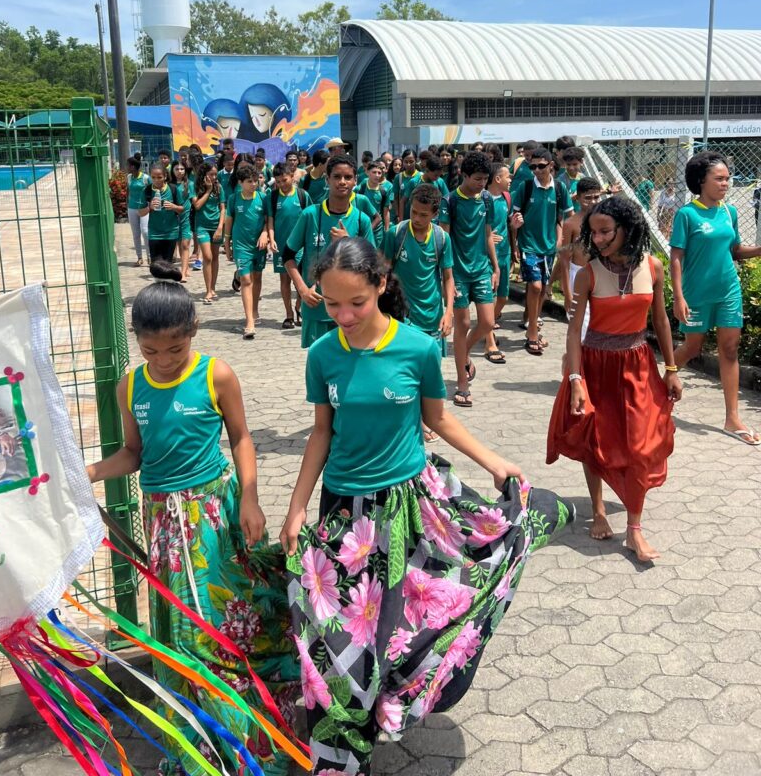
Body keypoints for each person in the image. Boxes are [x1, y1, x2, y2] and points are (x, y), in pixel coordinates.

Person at [279, 237, 573, 776]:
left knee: (403, 623)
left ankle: (394, 705)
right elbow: (321, 434)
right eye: (330, 303)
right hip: (344, 514)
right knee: (340, 631)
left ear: (381, 287)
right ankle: (343, 749)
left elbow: (439, 419)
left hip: (412, 506)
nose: (342, 315)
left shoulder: (417, 348)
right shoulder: (322, 355)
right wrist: (298, 508)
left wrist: (493, 461)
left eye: (355, 303)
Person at [86, 265, 300, 776]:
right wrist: (88, 470)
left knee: (231, 621)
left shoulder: (215, 374)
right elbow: (133, 454)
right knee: (181, 632)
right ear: (136, 342)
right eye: (150, 351)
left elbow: (242, 438)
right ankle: (198, 745)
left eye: (173, 350)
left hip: (214, 514)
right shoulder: (130, 387)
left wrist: (250, 498)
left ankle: (255, 742)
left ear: (193, 334)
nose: (162, 361)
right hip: (162, 521)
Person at [547, 196, 681, 563]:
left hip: (637, 365)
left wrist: (670, 370)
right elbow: (574, 331)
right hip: (595, 364)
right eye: (594, 232)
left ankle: (634, 529)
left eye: (606, 231)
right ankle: (599, 509)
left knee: (640, 444)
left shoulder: (653, 267)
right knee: (597, 437)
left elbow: (662, 322)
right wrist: (575, 379)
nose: (599, 238)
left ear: (628, 228)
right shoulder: (589, 272)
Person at [671, 151, 761, 445]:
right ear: (701, 180)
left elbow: (734, 250)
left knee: (730, 349)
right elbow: (676, 258)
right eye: (719, 178)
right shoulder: (687, 214)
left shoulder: (729, 212)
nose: (726, 183)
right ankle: (663, 383)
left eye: (727, 178)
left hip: (728, 291)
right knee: (693, 346)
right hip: (697, 293)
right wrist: (679, 296)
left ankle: (732, 419)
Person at [283, 153, 375, 348]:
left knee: (351, 370)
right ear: (327, 179)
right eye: (337, 177)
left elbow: (373, 267)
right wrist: (302, 289)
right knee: (320, 371)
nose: (342, 182)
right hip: (316, 309)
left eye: (348, 177)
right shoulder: (311, 215)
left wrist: (348, 242)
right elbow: (288, 255)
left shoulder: (361, 220)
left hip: (352, 313)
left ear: (355, 181)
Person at [438, 151, 499, 407]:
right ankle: (462, 384)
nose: (481, 183)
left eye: (485, 179)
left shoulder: (486, 200)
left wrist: (496, 268)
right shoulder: (449, 201)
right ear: (464, 175)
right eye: (477, 178)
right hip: (458, 274)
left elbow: (488, 236)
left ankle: (463, 354)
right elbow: (444, 240)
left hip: (482, 270)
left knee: (487, 322)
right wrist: (445, 278)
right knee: (462, 325)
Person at [510, 146, 573, 356]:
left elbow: (564, 217)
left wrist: (560, 241)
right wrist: (515, 226)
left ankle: (532, 322)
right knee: (535, 287)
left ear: (551, 165)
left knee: (543, 288)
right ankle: (532, 331)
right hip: (529, 244)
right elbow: (514, 217)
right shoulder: (526, 187)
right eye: (532, 166)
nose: (536, 170)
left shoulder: (560, 189)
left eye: (540, 166)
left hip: (549, 247)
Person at [383, 184, 454, 356]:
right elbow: (384, 272)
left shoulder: (442, 239)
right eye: (413, 212)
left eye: (423, 215)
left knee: (430, 368)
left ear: (435, 215)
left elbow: (448, 277)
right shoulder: (396, 233)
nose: (416, 218)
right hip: (401, 316)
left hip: (431, 316)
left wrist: (449, 312)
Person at [225, 164, 269, 340]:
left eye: (255, 180)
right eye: (249, 181)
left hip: (258, 246)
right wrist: (227, 244)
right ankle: (249, 321)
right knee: (246, 279)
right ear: (240, 182)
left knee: (257, 277)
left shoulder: (263, 198)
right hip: (241, 246)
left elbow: (268, 220)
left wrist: (265, 233)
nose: (253, 184)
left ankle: (255, 310)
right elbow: (229, 220)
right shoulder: (234, 199)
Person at [267, 162, 312, 329]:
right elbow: (270, 221)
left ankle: (299, 307)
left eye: (284, 180)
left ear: (292, 177)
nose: (281, 184)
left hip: (300, 246)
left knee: (301, 280)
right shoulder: (272, 197)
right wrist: (271, 239)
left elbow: (310, 217)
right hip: (282, 247)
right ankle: (288, 314)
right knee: (284, 280)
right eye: (277, 181)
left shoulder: (302, 195)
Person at [558, 178, 603, 341]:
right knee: (580, 328)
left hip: (600, 275)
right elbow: (564, 259)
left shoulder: (605, 220)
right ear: (578, 198)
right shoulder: (571, 224)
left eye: (596, 197)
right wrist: (567, 294)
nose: (593, 202)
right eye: (588, 198)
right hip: (578, 276)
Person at [483, 163, 512, 358]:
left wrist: (515, 225)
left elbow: (506, 224)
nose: (511, 180)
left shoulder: (506, 198)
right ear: (497, 179)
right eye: (507, 176)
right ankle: (489, 341)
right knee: (488, 298)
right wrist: (485, 238)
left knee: (503, 297)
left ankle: (485, 325)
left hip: (505, 254)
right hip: (485, 258)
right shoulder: (482, 200)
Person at [193, 161, 226, 303]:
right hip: (202, 226)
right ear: (204, 174)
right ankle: (207, 291)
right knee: (207, 257)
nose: (214, 177)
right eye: (211, 174)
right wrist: (207, 190)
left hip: (216, 226)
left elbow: (223, 208)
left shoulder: (219, 188)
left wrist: (220, 227)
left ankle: (213, 288)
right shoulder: (195, 186)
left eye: (215, 174)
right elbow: (197, 205)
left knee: (215, 257)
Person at [139, 163, 184, 265]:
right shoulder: (147, 191)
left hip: (171, 232)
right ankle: (159, 281)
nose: (156, 180)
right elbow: (140, 213)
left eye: (159, 177)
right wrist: (149, 207)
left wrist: (174, 207)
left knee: (167, 263)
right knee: (156, 264)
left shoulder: (173, 189)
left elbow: (182, 209)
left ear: (165, 176)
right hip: (154, 233)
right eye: (153, 177)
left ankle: (166, 281)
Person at [357, 159, 393, 246]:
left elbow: (386, 211)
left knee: (376, 254)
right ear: (367, 172)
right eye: (374, 172)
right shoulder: (361, 187)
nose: (377, 175)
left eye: (379, 173)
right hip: (362, 226)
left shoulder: (383, 191)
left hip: (377, 229)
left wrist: (387, 229)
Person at [170, 161, 194, 281]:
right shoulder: (169, 185)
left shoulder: (189, 184)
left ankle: (183, 273)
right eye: (177, 169)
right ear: (172, 171)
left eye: (182, 169)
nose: (179, 171)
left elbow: (194, 201)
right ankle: (185, 266)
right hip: (174, 218)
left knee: (185, 244)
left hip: (186, 217)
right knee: (179, 243)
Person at [126, 154, 151, 267]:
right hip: (132, 208)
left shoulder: (145, 178)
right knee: (136, 234)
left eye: (128, 165)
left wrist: (150, 206)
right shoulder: (129, 177)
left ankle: (150, 256)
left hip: (144, 208)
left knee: (145, 232)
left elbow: (152, 191)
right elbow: (128, 191)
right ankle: (139, 257)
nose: (127, 167)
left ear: (133, 167)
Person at [393, 149, 422, 222]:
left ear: (416, 160)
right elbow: (396, 198)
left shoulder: (421, 176)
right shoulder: (398, 177)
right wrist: (398, 215)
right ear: (402, 161)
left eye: (411, 161)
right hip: (404, 216)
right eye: (406, 162)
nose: (408, 164)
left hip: (419, 216)